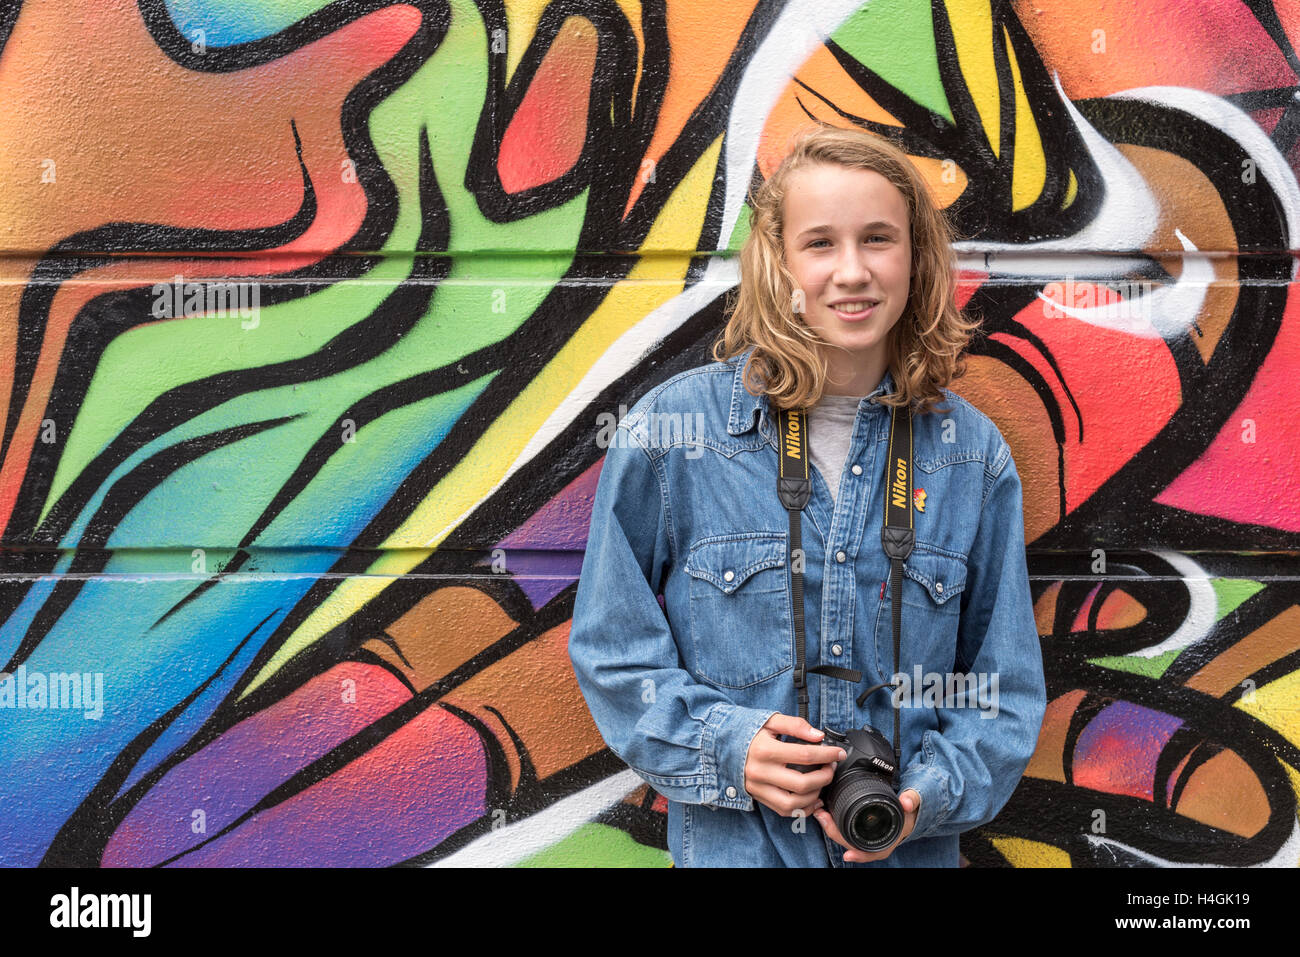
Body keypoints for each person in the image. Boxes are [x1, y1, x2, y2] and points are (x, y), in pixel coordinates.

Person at [568, 123, 1047, 867]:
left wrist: (926, 796)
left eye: (878, 239)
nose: (851, 271)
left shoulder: (971, 457)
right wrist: (727, 746)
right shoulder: (674, 433)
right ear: (779, 260)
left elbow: (1001, 690)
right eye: (820, 242)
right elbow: (612, 652)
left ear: (916, 260)